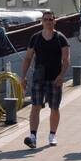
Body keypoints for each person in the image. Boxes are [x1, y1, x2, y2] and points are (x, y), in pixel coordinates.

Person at [20, 9, 69, 148]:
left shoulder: (60, 38)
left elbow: (66, 60)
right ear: (42, 22)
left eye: (50, 19)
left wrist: (61, 76)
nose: (48, 22)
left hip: (55, 79)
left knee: (54, 107)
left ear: (55, 21)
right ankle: (33, 136)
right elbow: (28, 58)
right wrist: (23, 77)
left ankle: (52, 135)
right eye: (45, 19)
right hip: (38, 78)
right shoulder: (35, 38)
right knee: (35, 106)